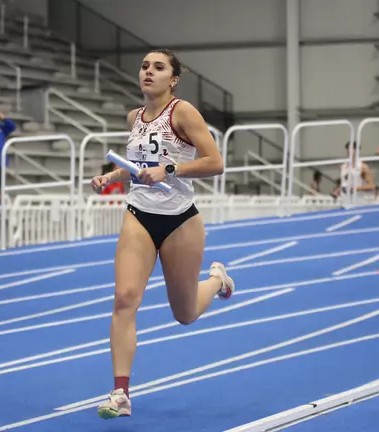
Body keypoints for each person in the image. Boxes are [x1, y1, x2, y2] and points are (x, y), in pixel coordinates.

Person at [89, 49, 234, 420]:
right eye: (144, 66)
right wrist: (112, 176)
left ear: (173, 79)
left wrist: (168, 168)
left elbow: (215, 162)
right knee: (124, 298)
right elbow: (138, 168)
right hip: (139, 214)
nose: (148, 72)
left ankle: (217, 280)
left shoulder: (182, 112)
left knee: (184, 314)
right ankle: (120, 392)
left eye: (158, 67)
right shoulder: (134, 117)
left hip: (180, 220)